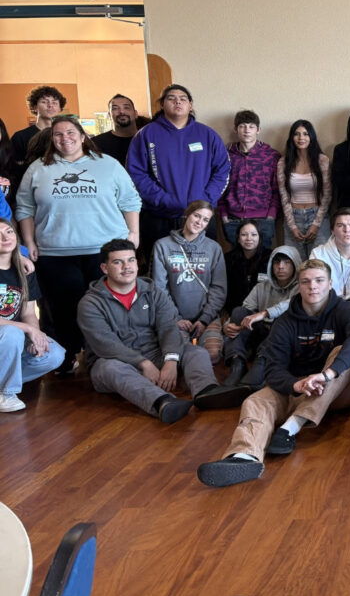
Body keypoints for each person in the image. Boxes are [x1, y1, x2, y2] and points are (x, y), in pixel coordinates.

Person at [197, 259, 350, 487]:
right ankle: (244, 457)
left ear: (330, 284)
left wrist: (326, 375)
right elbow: (273, 369)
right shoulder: (285, 323)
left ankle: (290, 428)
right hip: (298, 387)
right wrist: (295, 385)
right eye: (306, 282)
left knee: (343, 353)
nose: (313, 287)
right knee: (255, 401)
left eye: (319, 281)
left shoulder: (346, 311)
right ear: (298, 286)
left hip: (338, 389)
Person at [16, 114, 141, 370]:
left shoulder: (108, 164)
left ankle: (107, 355)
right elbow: (24, 207)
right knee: (63, 309)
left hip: (105, 251)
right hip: (55, 252)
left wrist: (134, 234)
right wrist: (29, 242)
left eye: (71, 133)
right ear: (52, 139)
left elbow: (130, 201)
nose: (65, 139)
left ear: (83, 136)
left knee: (107, 306)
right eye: (58, 134)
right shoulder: (39, 168)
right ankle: (67, 355)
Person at [78, 239, 250, 424]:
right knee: (110, 368)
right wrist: (143, 363)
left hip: (155, 353)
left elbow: (168, 327)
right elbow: (105, 344)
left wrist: (170, 359)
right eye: (118, 262)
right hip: (115, 361)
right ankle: (162, 402)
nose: (126, 267)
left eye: (131, 260)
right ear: (105, 268)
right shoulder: (91, 303)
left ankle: (206, 391)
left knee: (196, 352)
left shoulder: (153, 292)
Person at [126, 84, 230, 260]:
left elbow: (223, 170)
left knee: (202, 270)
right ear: (162, 105)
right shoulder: (147, 134)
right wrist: (163, 199)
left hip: (201, 217)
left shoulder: (207, 134)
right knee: (161, 271)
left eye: (183, 98)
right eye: (171, 98)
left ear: (190, 105)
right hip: (160, 216)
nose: (177, 102)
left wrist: (205, 200)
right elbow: (136, 174)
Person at [150, 200, 227, 364]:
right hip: (175, 317)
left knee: (212, 354)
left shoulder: (214, 248)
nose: (200, 222)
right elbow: (159, 288)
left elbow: (219, 289)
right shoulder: (162, 246)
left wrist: (205, 319)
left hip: (206, 317)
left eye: (205, 220)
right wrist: (175, 317)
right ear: (187, 215)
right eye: (196, 215)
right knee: (183, 355)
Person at [0, 219, 64, 412]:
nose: (5, 237)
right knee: (13, 334)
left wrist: (35, 336)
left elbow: (28, 312)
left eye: (9, 232)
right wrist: (26, 330)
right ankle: (5, 392)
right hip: (8, 336)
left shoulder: (24, 270)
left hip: (10, 342)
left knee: (54, 354)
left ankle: (5, 380)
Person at [222, 245, 302, 387]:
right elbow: (245, 309)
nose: (281, 267)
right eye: (276, 262)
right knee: (238, 311)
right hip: (260, 333)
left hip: (282, 340)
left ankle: (261, 363)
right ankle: (237, 364)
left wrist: (264, 313)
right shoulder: (261, 287)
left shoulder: (300, 287)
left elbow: (289, 306)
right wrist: (227, 325)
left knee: (281, 320)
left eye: (286, 262)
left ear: (295, 264)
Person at [218, 109, 280, 249]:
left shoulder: (271, 156)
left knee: (262, 265)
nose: (247, 130)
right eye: (242, 126)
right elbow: (220, 187)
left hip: (263, 219)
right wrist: (224, 216)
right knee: (237, 264)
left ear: (258, 130)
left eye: (251, 126)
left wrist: (271, 216)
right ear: (235, 129)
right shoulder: (226, 155)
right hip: (233, 219)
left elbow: (277, 189)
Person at [278, 120, 332, 260]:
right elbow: (284, 196)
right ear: (291, 137)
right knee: (295, 264)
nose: (301, 138)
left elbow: (327, 194)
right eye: (297, 134)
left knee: (320, 263)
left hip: (317, 216)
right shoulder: (283, 163)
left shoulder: (322, 160)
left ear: (311, 137)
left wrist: (316, 224)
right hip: (293, 218)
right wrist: (292, 226)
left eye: (305, 134)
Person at [223, 220, 272, 314]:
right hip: (235, 311)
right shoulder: (228, 259)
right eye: (244, 234)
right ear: (238, 238)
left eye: (254, 234)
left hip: (263, 311)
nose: (249, 238)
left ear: (260, 238)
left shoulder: (271, 257)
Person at [12, 85, 66, 166]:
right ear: (35, 107)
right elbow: (15, 169)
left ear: (60, 109)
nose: (50, 105)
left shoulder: (67, 136)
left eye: (54, 103)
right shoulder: (20, 136)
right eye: (44, 102)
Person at [92, 94, 147, 166]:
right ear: (109, 116)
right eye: (115, 108)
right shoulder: (95, 144)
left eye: (126, 107)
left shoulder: (148, 139)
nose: (122, 112)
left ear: (135, 114)